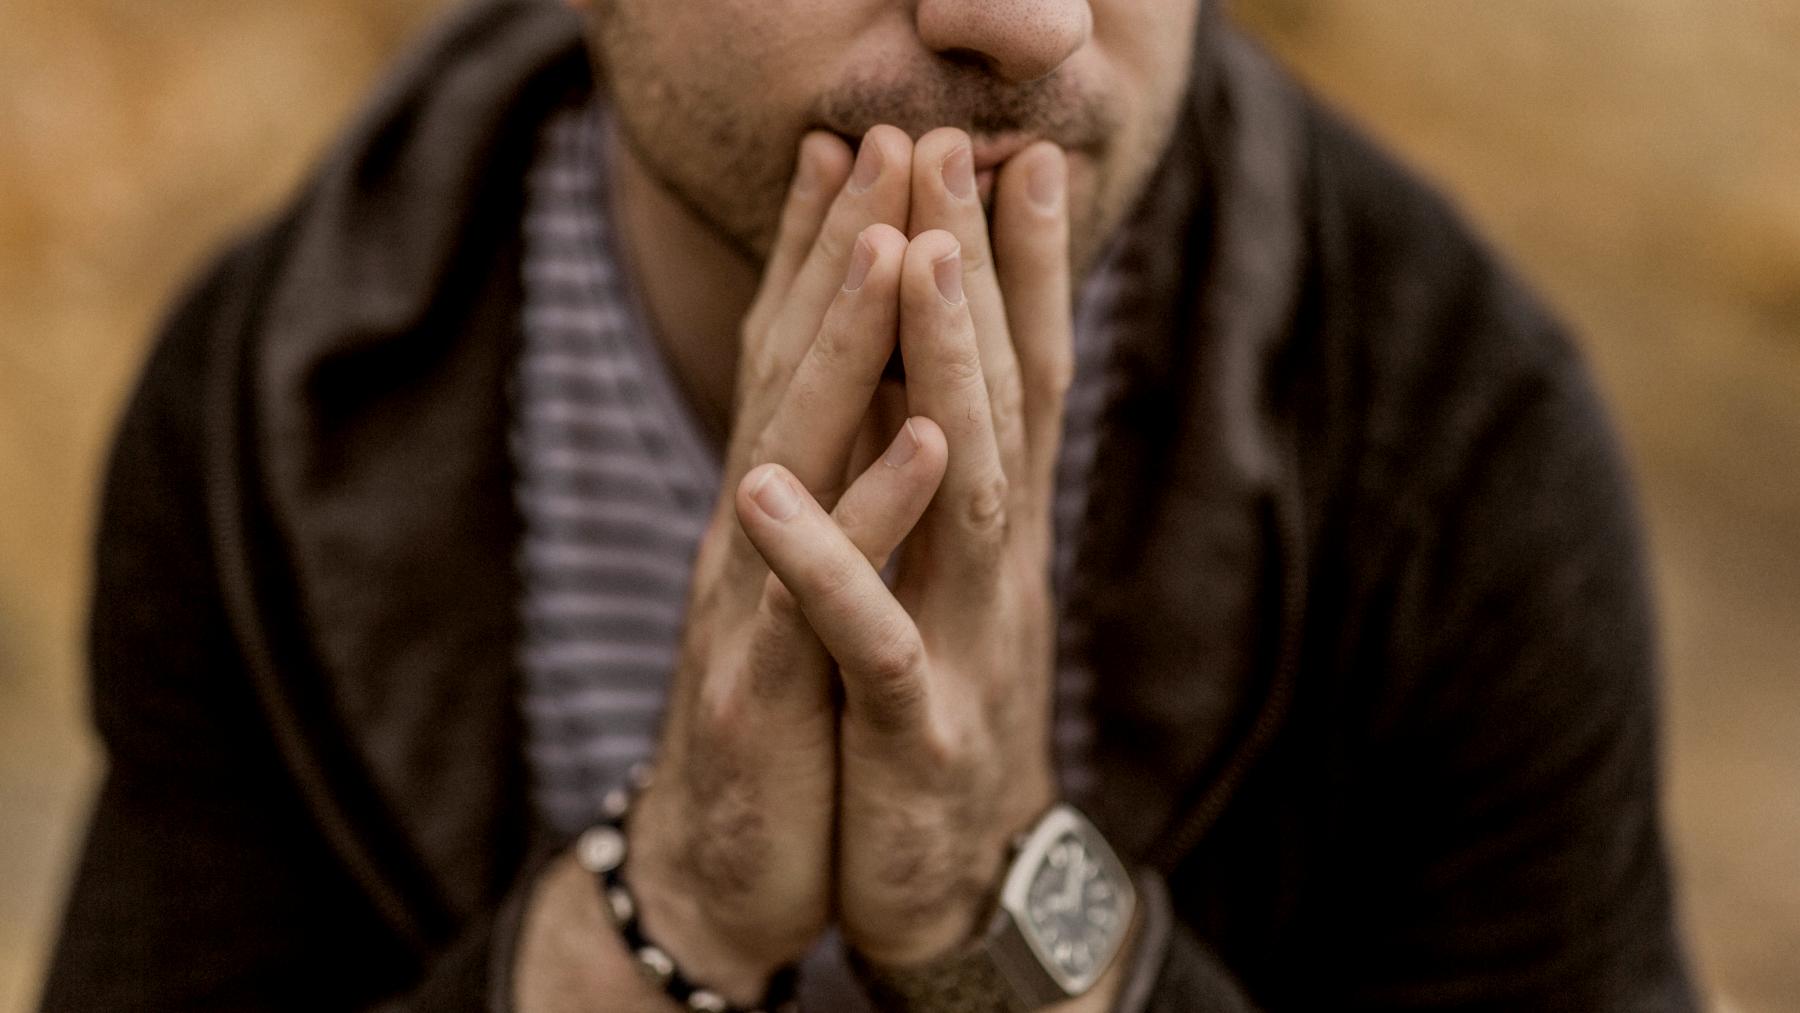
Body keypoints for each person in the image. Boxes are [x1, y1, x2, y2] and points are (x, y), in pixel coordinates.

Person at [42, 0, 1698, 1009]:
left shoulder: (1441, 422)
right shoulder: (295, 394)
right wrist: (662, 910)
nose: (1029, 20)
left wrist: (1005, 908)